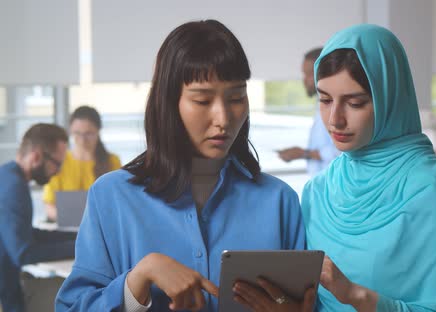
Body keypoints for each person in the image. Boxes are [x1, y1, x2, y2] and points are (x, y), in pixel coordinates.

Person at [55, 20, 313, 312]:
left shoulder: (279, 201)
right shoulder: (111, 197)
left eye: (237, 97)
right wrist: (139, 279)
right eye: (202, 100)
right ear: (168, 102)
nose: (223, 118)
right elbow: (72, 308)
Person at [236, 24, 436, 311]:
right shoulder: (318, 191)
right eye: (325, 100)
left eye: (354, 103)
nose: (334, 119)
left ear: (390, 99)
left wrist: (357, 296)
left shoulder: (432, 193)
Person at [0, 124, 77, 312]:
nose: (58, 171)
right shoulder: (15, 188)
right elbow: (23, 253)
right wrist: (79, 246)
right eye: (57, 164)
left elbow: (25, 233)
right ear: (36, 156)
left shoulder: (7, 175)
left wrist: (77, 237)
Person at [42, 105, 121, 222]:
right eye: (77, 133)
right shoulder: (59, 161)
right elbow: (49, 205)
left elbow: (119, 203)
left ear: (98, 131)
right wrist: (70, 221)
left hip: (102, 229)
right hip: (66, 229)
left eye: (88, 133)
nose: (82, 139)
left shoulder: (112, 162)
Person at [277, 47, 340, 176]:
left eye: (309, 74)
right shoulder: (320, 105)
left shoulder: (336, 107)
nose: (304, 80)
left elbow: (340, 151)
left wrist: (304, 153)